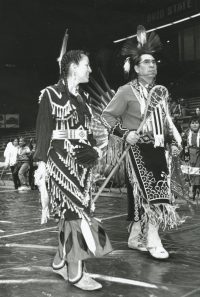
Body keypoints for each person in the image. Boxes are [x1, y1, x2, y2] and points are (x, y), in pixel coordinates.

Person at [33, 44, 112, 290]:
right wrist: (41, 167)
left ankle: (60, 260)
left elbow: (87, 132)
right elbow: (44, 131)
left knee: (75, 211)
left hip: (82, 163)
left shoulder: (83, 98)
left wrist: (94, 149)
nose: (90, 69)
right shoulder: (50, 94)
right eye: (86, 65)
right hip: (60, 160)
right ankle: (76, 271)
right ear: (73, 67)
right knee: (76, 212)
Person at [101, 25, 183, 260]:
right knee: (151, 192)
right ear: (136, 68)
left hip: (159, 149)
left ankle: (135, 236)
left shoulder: (160, 93)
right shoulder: (126, 91)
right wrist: (125, 133)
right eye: (146, 62)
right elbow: (106, 116)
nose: (152, 65)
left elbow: (165, 122)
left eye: (154, 62)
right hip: (137, 149)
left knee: (147, 193)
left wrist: (173, 141)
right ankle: (153, 239)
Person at [181, 116, 200, 201]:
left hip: (199, 154)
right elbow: (183, 145)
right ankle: (191, 189)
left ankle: (198, 189)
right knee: (190, 173)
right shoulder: (186, 133)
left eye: (196, 123)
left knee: (198, 173)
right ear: (190, 124)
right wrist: (186, 156)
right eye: (193, 123)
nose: (195, 125)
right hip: (188, 154)